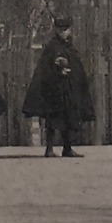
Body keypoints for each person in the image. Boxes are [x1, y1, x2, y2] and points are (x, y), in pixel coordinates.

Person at [22, 16, 95, 158]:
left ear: (70, 30)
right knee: (53, 118)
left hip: (68, 89)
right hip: (54, 90)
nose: (63, 32)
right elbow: (45, 68)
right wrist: (57, 71)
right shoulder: (52, 46)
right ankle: (49, 148)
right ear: (56, 30)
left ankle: (67, 148)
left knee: (68, 117)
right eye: (60, 30)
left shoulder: (70, 46)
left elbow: (76, 66)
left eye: (65, 29)